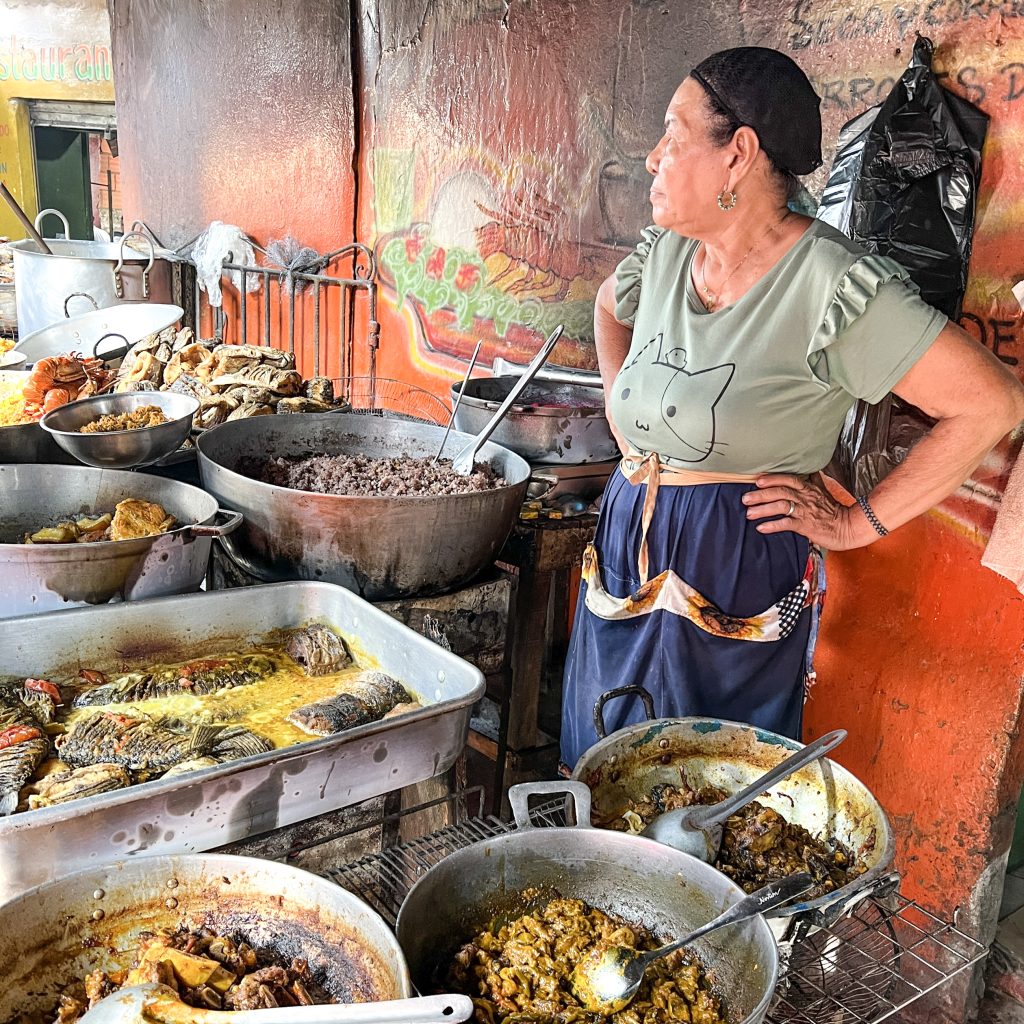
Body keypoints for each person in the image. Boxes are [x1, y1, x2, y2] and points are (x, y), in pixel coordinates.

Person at [560, 47, 1024, 770]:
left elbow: (990, 403)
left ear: (738, 154)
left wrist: (854, 521)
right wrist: (625, 414)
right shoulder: (668, 255)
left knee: (704, 787)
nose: (653, 158)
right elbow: (606, 306)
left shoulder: (828, 285)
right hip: (627, 541)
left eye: (674, 136)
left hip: (734, 559)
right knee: (600, 750)